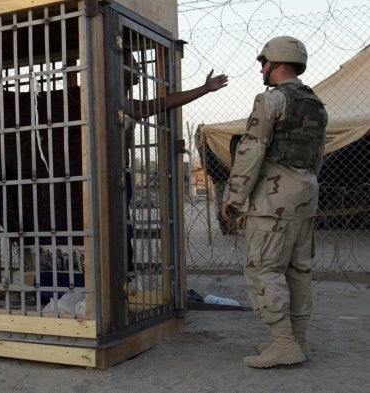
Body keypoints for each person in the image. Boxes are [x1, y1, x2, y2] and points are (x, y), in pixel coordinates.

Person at [220, 36, 328, 368]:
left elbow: (251, 150)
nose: (263, 69)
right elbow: (317, 155)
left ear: (277, 63)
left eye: (264, 63)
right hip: (305, 192)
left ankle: (283, 343)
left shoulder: (271, 101)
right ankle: (298, 341)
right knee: (298, 269)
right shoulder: (315, 103)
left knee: (264, 268)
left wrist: (234, 198)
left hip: (273, 198)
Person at [123, 50, 228, 270]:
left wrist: (205, 88)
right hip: (111, 175)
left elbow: (163, 102)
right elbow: (155, 105)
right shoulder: (118, 102)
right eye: (132, 63)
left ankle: (125, 276)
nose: (139, 68)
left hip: (121, 174)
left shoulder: (127, 102)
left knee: (122, 230)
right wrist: (204, 89)